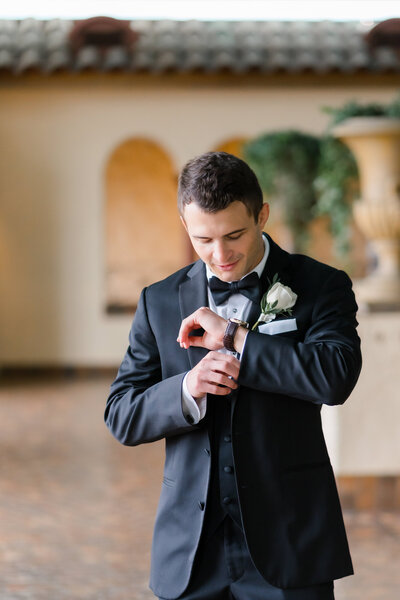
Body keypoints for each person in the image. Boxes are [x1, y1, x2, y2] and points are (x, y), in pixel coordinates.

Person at [105, 151, 362, 600]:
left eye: (235, 235)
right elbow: (121, 414)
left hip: (289, 542)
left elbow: (334, 377)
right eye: (204, 239)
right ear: (185, 225)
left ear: (262, 215)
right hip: (190, 550)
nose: (220, 255)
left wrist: (236, 337)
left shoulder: (321, 284)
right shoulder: (159, 301)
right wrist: (187, 389)